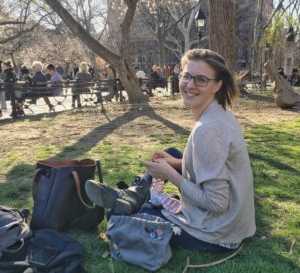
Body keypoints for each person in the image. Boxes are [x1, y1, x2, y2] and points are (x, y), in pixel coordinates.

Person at [85, 48, 256, 253]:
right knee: (173, 153)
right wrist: (174, 164)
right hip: (232, 223)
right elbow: (214, 165)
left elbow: (216, 203)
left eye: (201, 79)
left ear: (217, 85)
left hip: (215, 233)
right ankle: (134, 194)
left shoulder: (209, 129)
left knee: (115, 217)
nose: (190, 85)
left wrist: (171, 175)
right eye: (186, 76)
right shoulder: (220, 112)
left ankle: (134, 198)